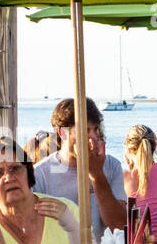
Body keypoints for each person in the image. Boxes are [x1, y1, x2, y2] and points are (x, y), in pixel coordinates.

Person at [32, 99, 127, 234]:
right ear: (62, 133)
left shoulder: (111, 166)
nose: (93, 137)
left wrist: (96, 174)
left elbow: (119, 225)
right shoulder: (39, 175)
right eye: (85, 131)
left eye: (95, 129)